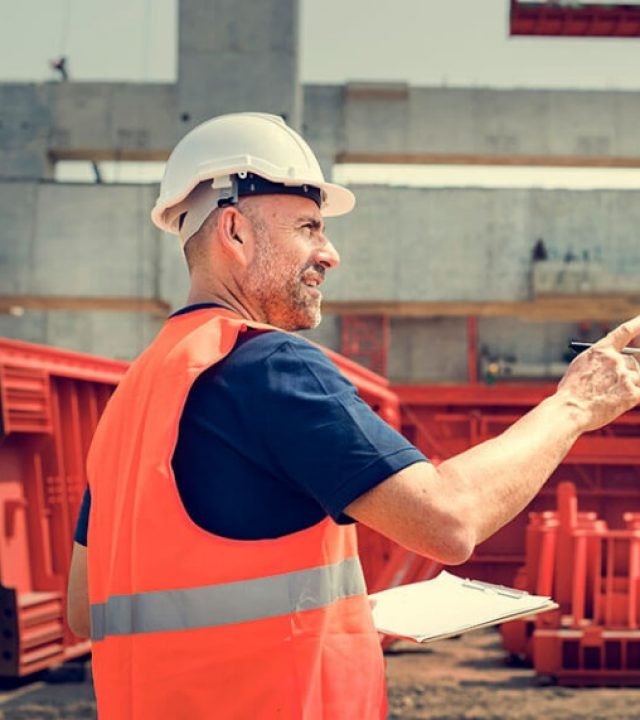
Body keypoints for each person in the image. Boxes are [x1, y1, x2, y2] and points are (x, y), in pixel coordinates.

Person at [67, 112, 640, 720]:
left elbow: (87, 607)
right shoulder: (269, 366)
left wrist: (311, 614)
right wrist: (573, 406)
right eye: (310, 228)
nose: (330, 253)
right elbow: (449, 521)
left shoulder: (135, 395)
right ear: (233, 231)